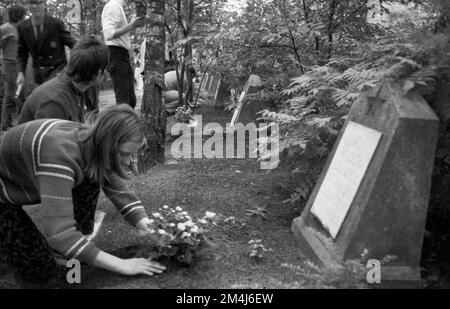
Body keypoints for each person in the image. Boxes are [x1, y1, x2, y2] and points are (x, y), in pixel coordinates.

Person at [0, 104, 166, 288]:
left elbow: (120, 192)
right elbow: (59, 233)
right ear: (107, 143)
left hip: (23, 171)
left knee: (92, 178)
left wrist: (150, 228)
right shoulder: (59, 157)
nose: (127, 161)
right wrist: (122, 265)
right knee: (37, 269)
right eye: (124, 154)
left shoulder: (93, 142)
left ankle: (69, 256)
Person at [18, 35, 110, 124]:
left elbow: (93, 126)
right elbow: (51, 139)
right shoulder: (54, 103)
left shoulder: (89, 87)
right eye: (105, 68)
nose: (107, 73)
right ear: (97, 74)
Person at [16, 0, 76, 88]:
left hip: (58, 71)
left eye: (38, 3)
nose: (34, 6)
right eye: (31, 3)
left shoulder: (56, 24)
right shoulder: (23, 27)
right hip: (39, 74)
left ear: (44, 4)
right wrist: (20, 73)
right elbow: (21, 54)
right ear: (27, 5)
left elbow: (72, 43)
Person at [101, 0, 146, 109]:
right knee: (123, 101)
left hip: (122, 54)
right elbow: (109, 34)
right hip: (115, 53)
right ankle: (121, 125)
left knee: (130, 100)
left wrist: (133, 24)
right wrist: (131, 25)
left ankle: (127, 124)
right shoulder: (113, 6)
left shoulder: (118, 7)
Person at [0, 5, 26, 130]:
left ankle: (19, 122)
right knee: (10, 94)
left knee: (21, 93)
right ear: (17, 14)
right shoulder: (5, 28)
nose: (25, 16)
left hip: (20, 65)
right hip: (8, 64)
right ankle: (5, 123)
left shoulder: (22, 29)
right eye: (23, 14)